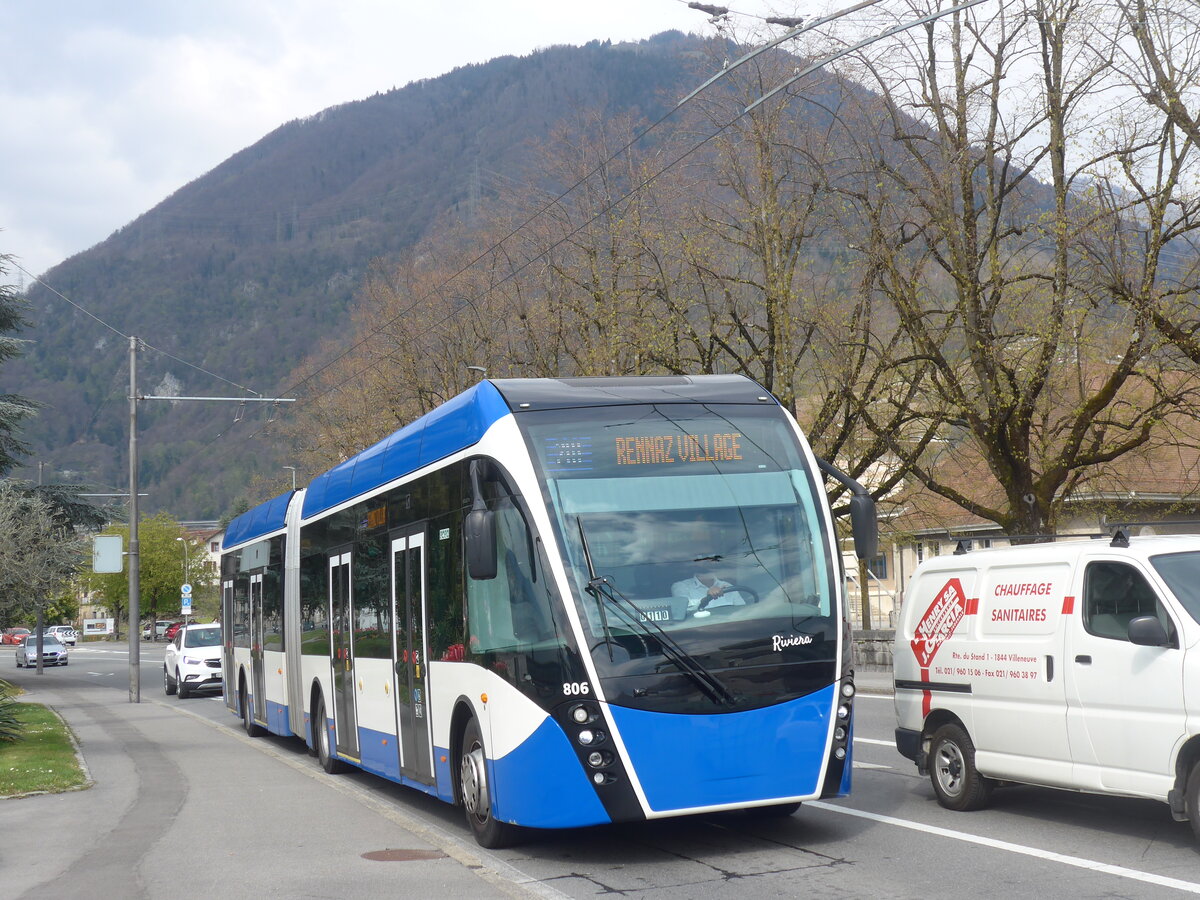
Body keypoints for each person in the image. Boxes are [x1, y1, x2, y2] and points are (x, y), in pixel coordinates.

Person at [671, 560, 744, 615]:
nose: (707, 561)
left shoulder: (728, 586)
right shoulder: (680, 586)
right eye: (700, 557)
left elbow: (743, 611)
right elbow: (681, 610)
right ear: (693, 563)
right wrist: (705, 599)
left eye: (711, 557)